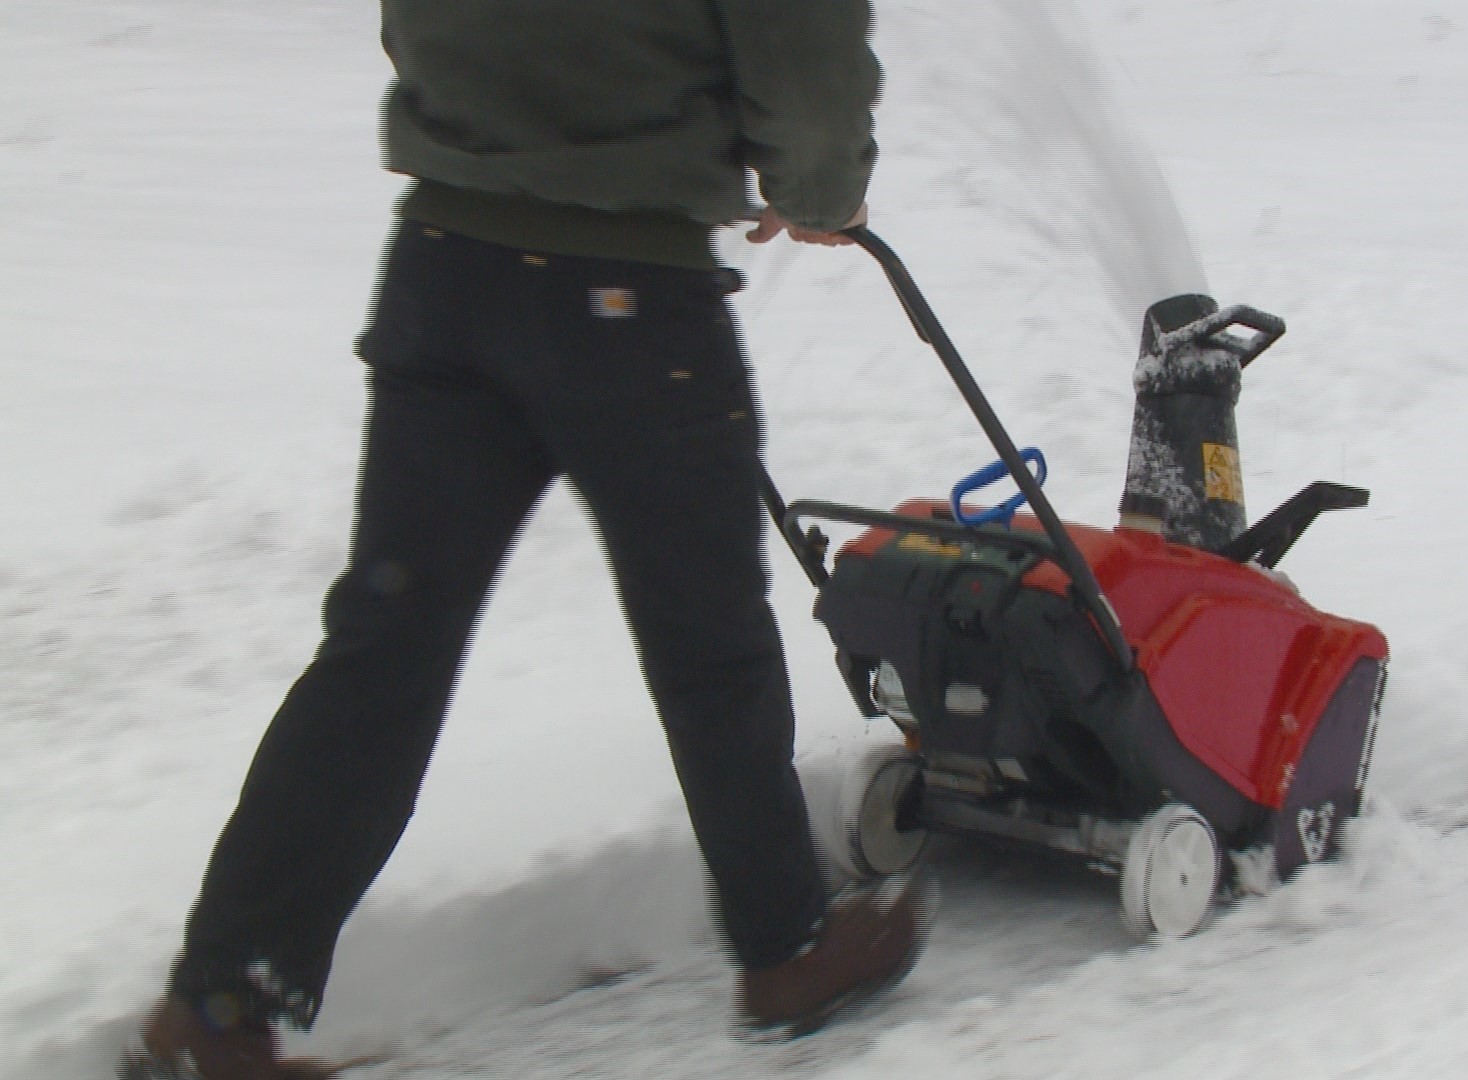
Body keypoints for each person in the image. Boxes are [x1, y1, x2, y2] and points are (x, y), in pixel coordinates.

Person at [122, 1, 929, 1076]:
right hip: (626, 295)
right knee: (709, 644)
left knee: (385, 650)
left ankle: (217, 1007)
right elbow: (802, 48)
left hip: (446, 262)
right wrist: (817, 189)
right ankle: (787, 950)